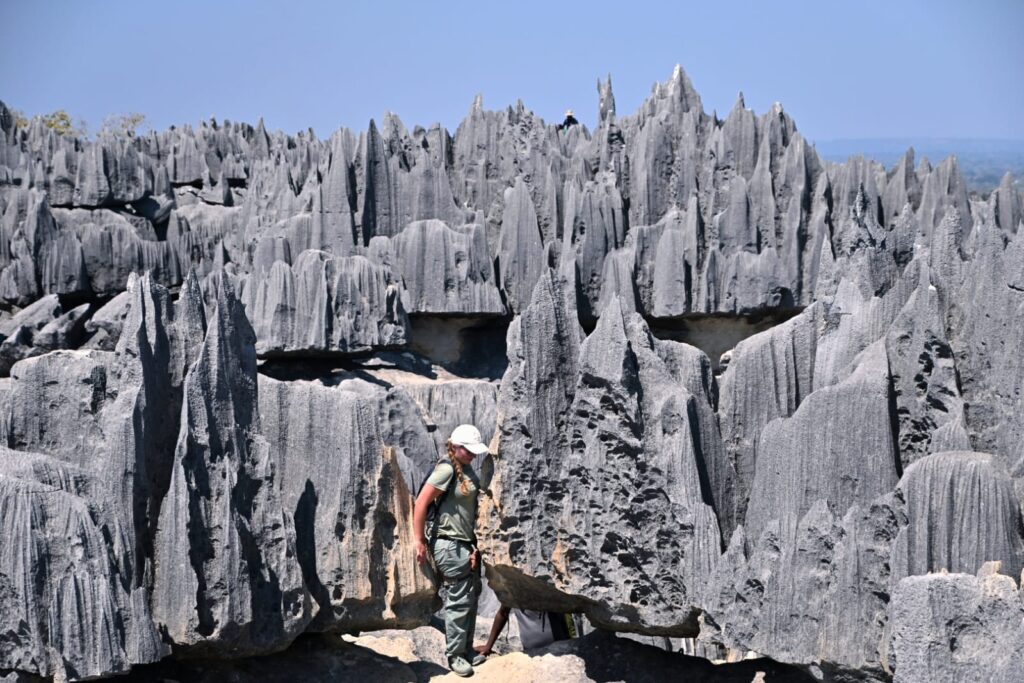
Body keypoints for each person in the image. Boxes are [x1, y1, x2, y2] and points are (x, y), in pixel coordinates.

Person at [414, 424, 491, 677]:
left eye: (474, 451)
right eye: (468, 450)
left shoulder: (465, 468)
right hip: (449, 544)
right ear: (455, 447)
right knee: (459, 598)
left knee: (470, 595)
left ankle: (466, 650)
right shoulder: (446, 468)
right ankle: (455, 655)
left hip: (465, 545)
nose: (472, 455)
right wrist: (419, 541)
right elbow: (421, 503)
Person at [475, 605, 583, 656]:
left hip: (555, 646)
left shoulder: (540, 587)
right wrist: (488, 646)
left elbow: (502, 613)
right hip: (531, 649)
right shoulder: (512, 589)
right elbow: (502, 613)